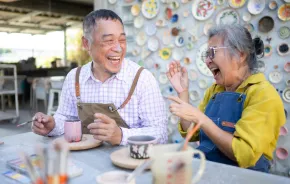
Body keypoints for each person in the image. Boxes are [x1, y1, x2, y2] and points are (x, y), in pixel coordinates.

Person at [31, 9, 167, 145]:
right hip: (86, 162)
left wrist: (121, 135)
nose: (119, 48)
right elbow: (66, 118)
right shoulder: (74, 78)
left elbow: (160, 132)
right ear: (86, 44)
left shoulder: (142, 79)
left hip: (130, 163)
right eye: (109, 41)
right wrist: (53, 125)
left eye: (122, 40)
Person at [167, 24, 285, 172]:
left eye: (212, 52)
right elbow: (192, 133)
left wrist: (202, 120)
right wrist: (183, 92)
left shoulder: (264, 94)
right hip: (209, 171)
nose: (207, 61)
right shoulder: (215, 91)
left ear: (240, 55)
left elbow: (244, 154)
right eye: (206, 54)